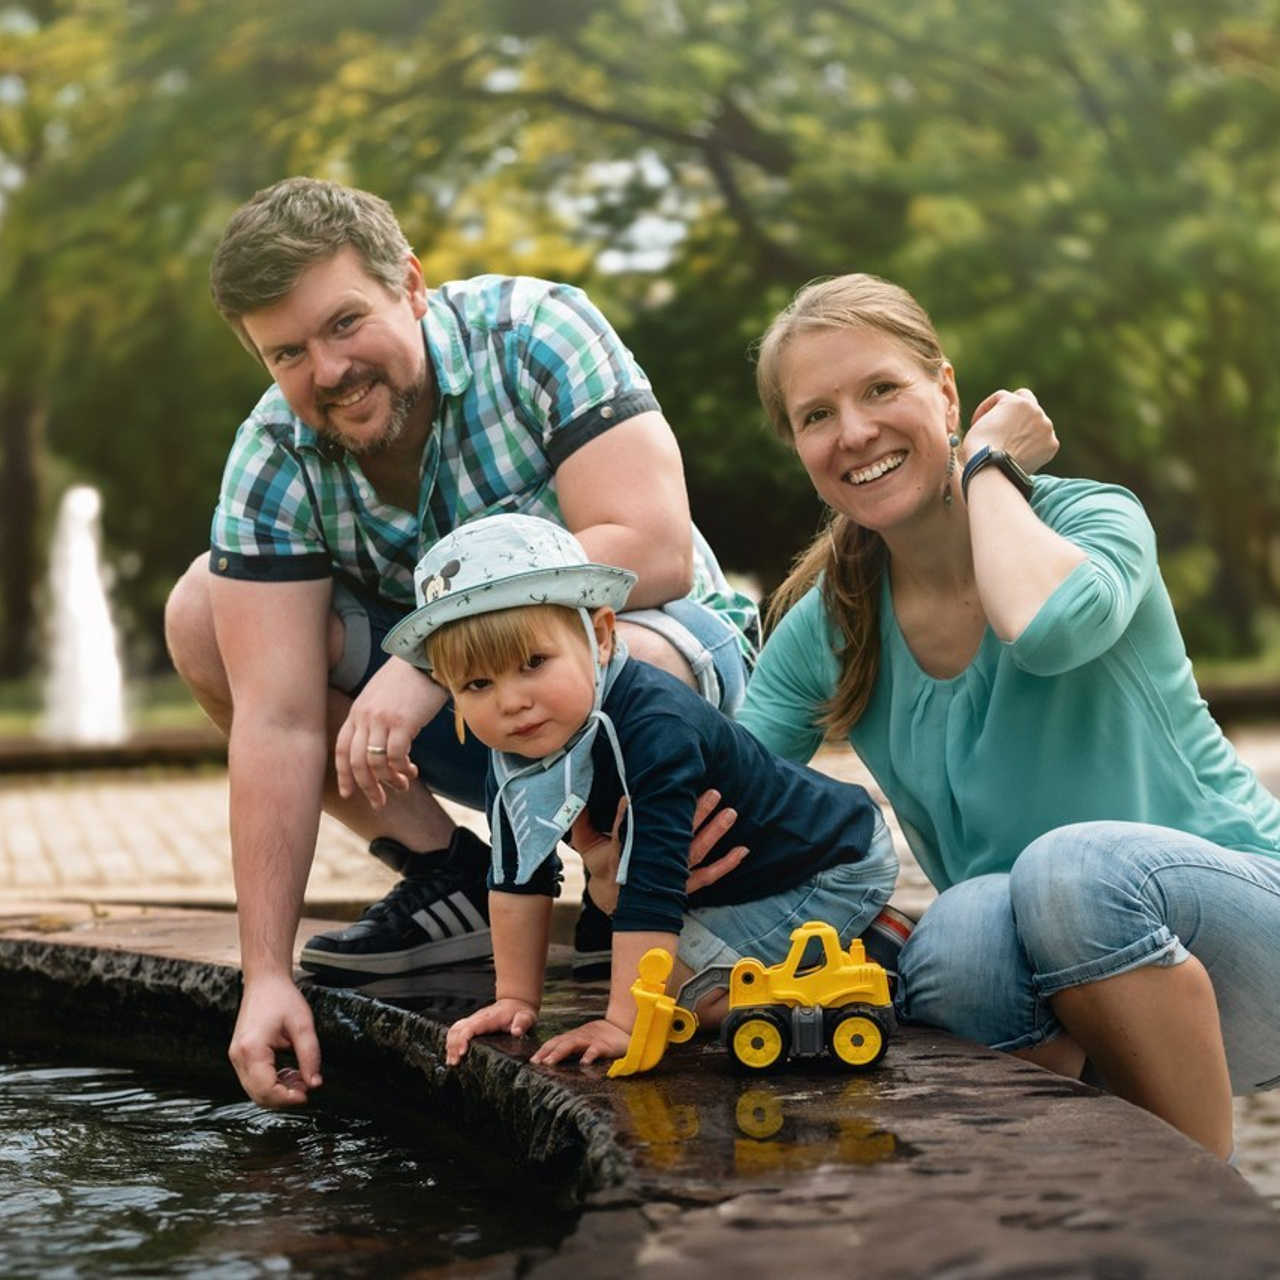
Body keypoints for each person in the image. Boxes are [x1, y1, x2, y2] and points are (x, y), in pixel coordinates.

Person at [162, 177, 759, 1108]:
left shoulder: (536, 332)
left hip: (656, 666)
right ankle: (451, 879)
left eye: (344, 322)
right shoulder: (272, 456)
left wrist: (427, 652)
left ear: (409, 282)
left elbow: (652, 546)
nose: (326, 370)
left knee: (622, 671)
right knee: (205, 609)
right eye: (286, 352)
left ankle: (623, 872)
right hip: (478, 713)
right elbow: (274, 722)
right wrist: (264, 975)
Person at [736, 272, 1280, 1161]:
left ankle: (1201, 1239)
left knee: (1070, 868)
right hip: (1056, 974)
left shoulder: (1092, 519)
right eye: (816, 415)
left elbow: (1047, 629)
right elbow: (732, 793)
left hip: (1250, 934)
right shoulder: (832, 623)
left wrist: (989, 465)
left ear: (946, 392)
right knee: (955, 935)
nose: (856, 432)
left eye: (881, 389)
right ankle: (1066, 1218)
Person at [376, 512, 897, 1068]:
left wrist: (623, 1023)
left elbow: (653, 881)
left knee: (669, 1005)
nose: (510, 701)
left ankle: (873, 946)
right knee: (628, 966)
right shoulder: (513, 748)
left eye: (533, 663)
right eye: (478, 684)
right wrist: (515, 999)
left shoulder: (654, 727)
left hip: (826, 862)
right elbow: (516, 875)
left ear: (599, 637)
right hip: (737, 878)